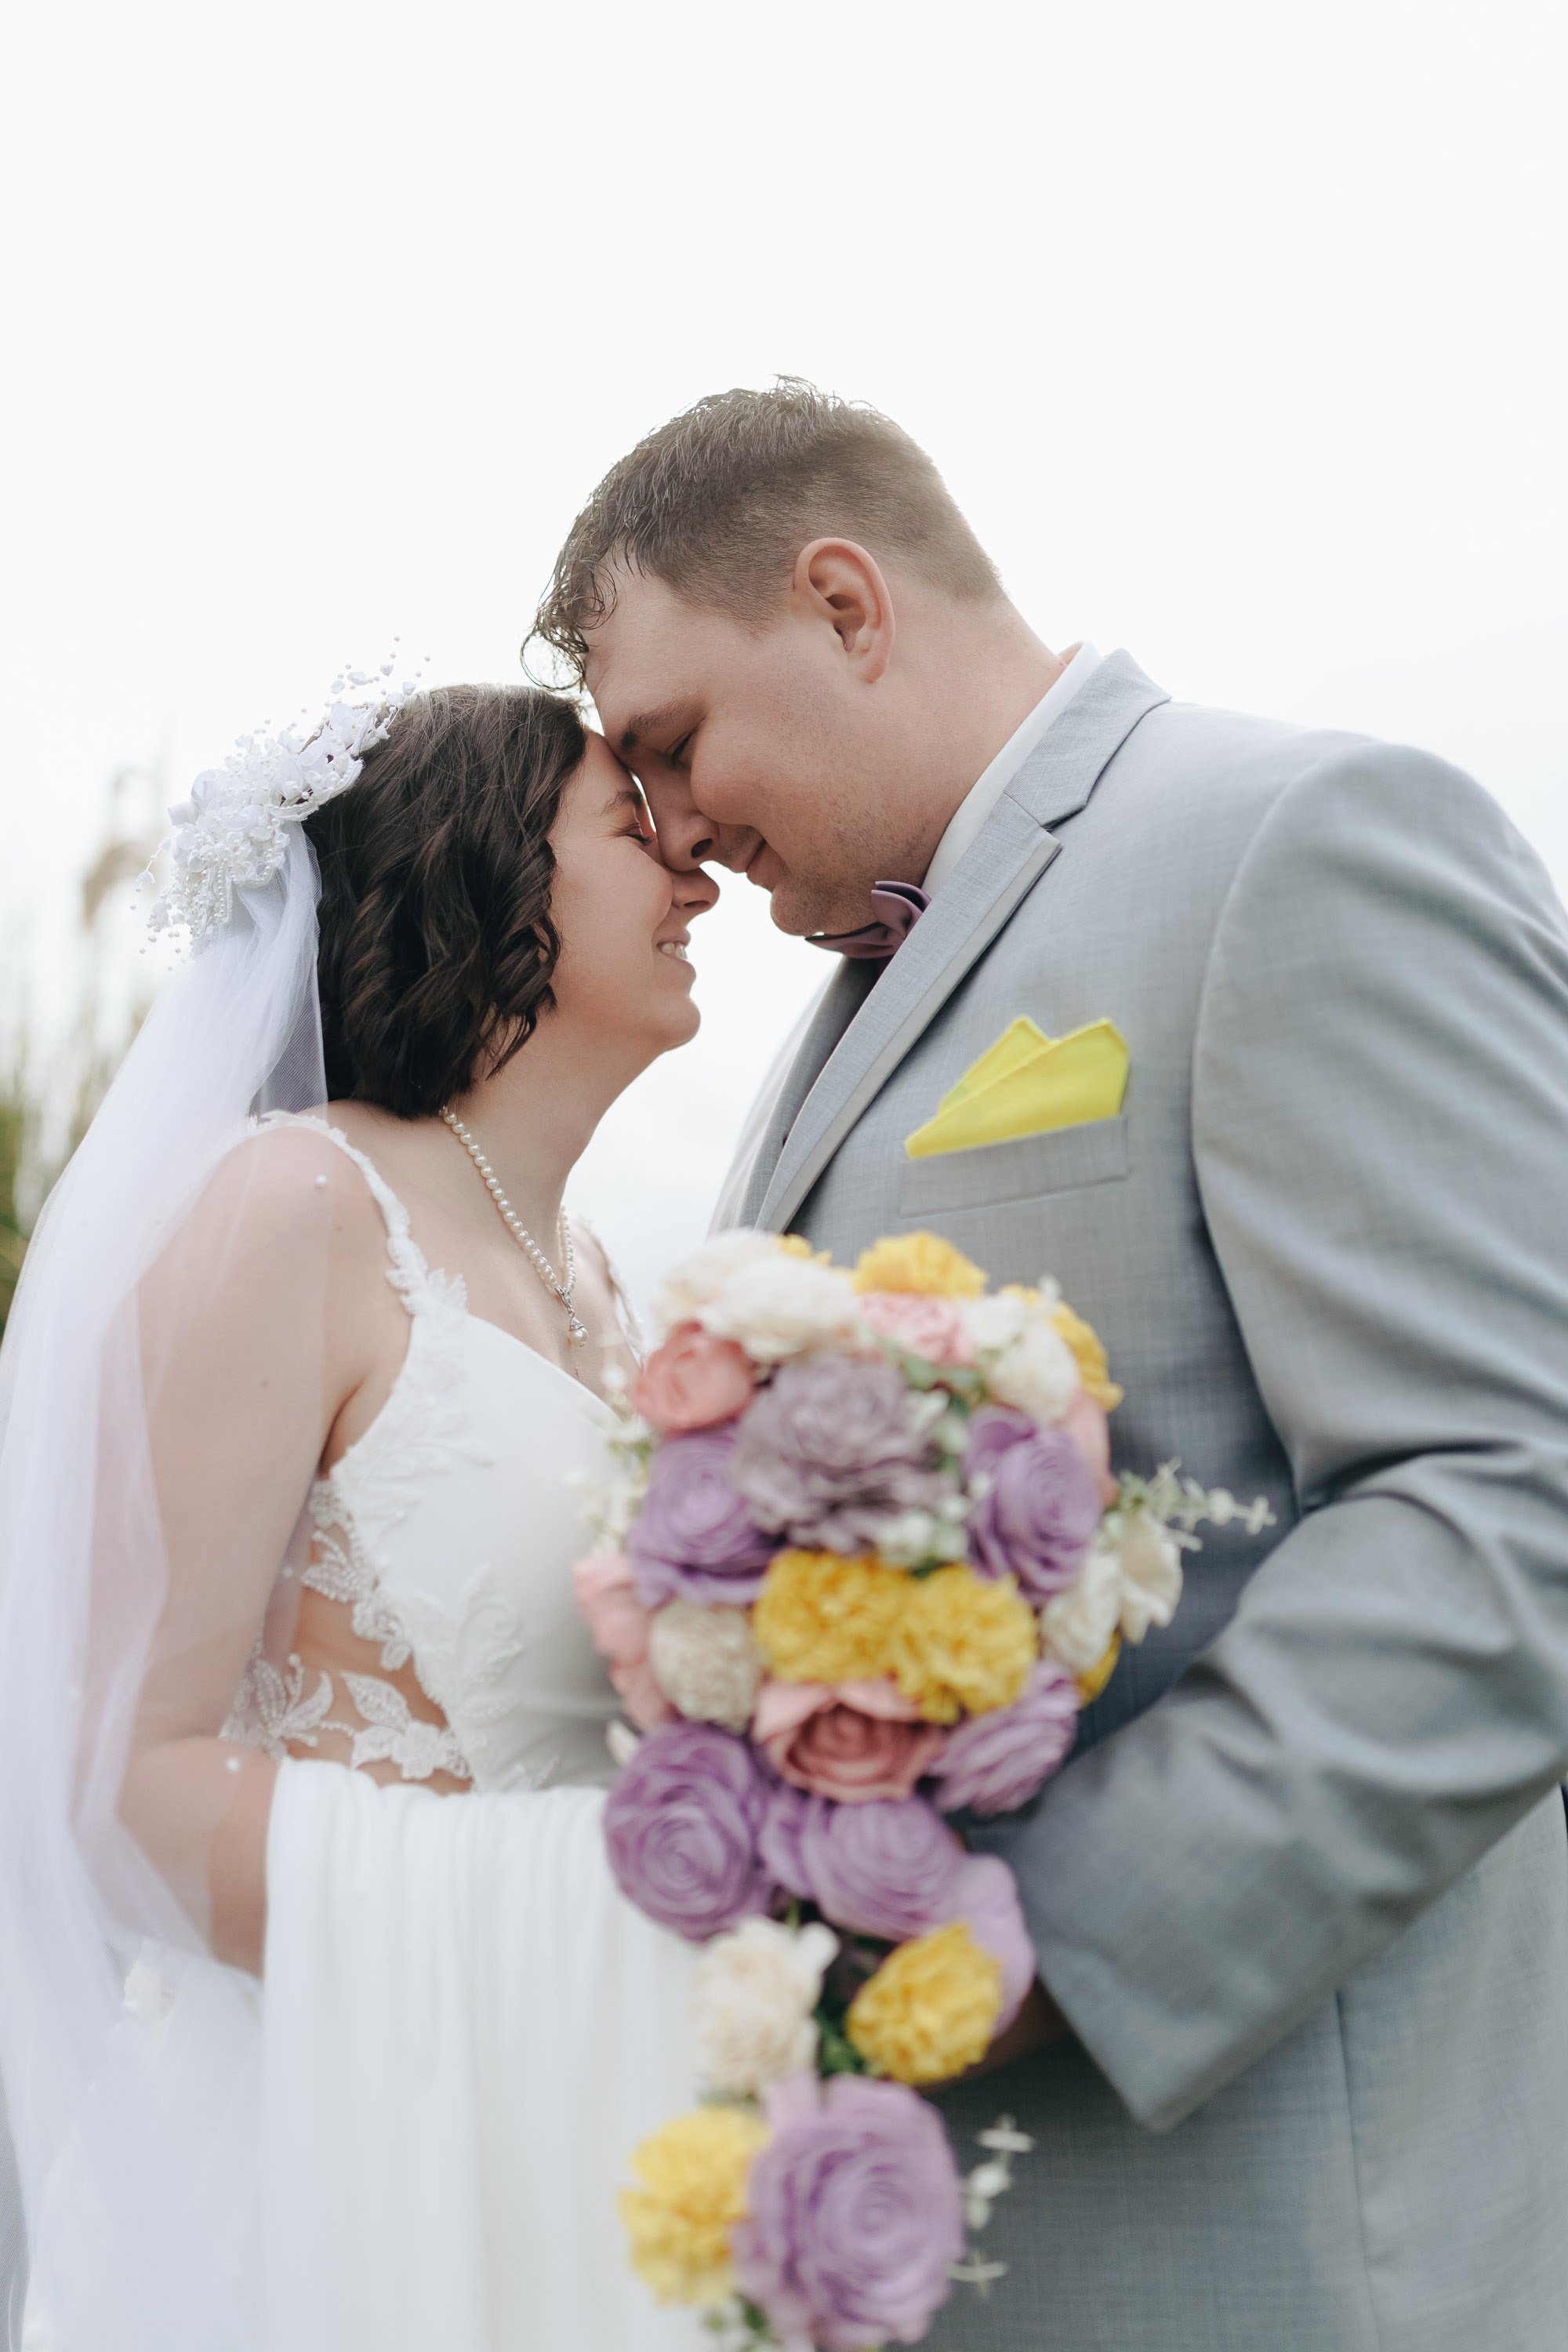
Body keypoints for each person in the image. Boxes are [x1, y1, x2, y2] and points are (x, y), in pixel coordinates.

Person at [535, 378, 1568, 2350]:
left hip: (1277, 2226)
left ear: (846, 604)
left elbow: (1508, 1501)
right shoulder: (825, 1021)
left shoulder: (1296, 839)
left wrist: (1048, 1936)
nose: (669, 827)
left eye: (671, 744)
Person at [0, 681, 717, 2351]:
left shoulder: (609, 1277)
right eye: (631, 831)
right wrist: (600, 1894)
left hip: (580, 2119)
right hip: (330, 2151)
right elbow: (109, 1783)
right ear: (490, 876)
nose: (691, 873)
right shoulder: (294, 1207)